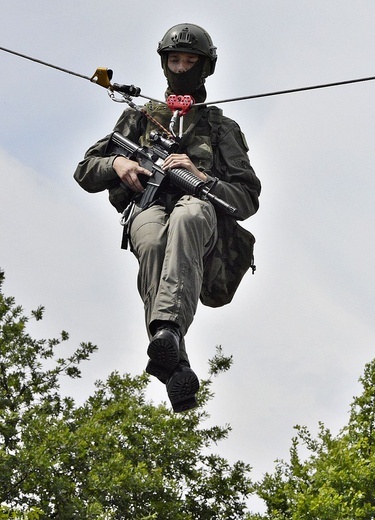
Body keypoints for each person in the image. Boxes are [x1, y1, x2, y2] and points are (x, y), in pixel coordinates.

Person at [74, 23, 261, 413]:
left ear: (204, 66)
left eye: (189, 60)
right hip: (147, 207)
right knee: (153, 239)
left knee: (187, 218)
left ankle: (168, 330)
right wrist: (118, 163)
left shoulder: (221, 128)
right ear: (164, 63)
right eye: (174, 59)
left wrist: (201, 177)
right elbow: (85, 170)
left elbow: (247, 198)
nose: (180, 66)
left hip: (202, 214)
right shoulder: (141, 117)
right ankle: (175, 363)